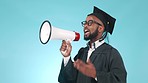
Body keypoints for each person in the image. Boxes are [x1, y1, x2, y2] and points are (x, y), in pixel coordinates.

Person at [58, 6, 127, 83]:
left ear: (100, 28)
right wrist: (66, 57)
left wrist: (95, 74)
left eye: (90, 23)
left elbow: (120, 80)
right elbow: (68, 80)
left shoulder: (111, 53)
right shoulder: (82, 52)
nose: (85, 26)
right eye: (85, 23)